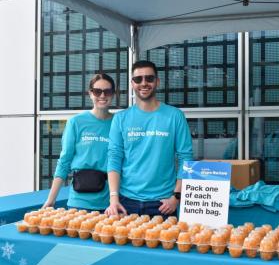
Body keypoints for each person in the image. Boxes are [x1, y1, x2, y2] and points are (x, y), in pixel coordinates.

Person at [106, 60, 193, 217]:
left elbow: (185, 158)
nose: (144, 83)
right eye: (138, 79)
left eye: (149, 78)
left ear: (157, 81)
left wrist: (177, 197)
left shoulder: (175, 116)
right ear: (132, 83)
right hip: (126, 202)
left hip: (163, 204)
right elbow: (114, 158)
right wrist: (114, 199)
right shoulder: (120, 119)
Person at [43, 73, 115, 212]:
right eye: (97, 91)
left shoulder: (119, 123)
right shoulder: (76, 122)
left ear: (113, 94)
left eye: (107, 91)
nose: (102, 95)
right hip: (79, 203)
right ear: (90, 93)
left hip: (110, 205)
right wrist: (51, 200)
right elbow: (64, 161)